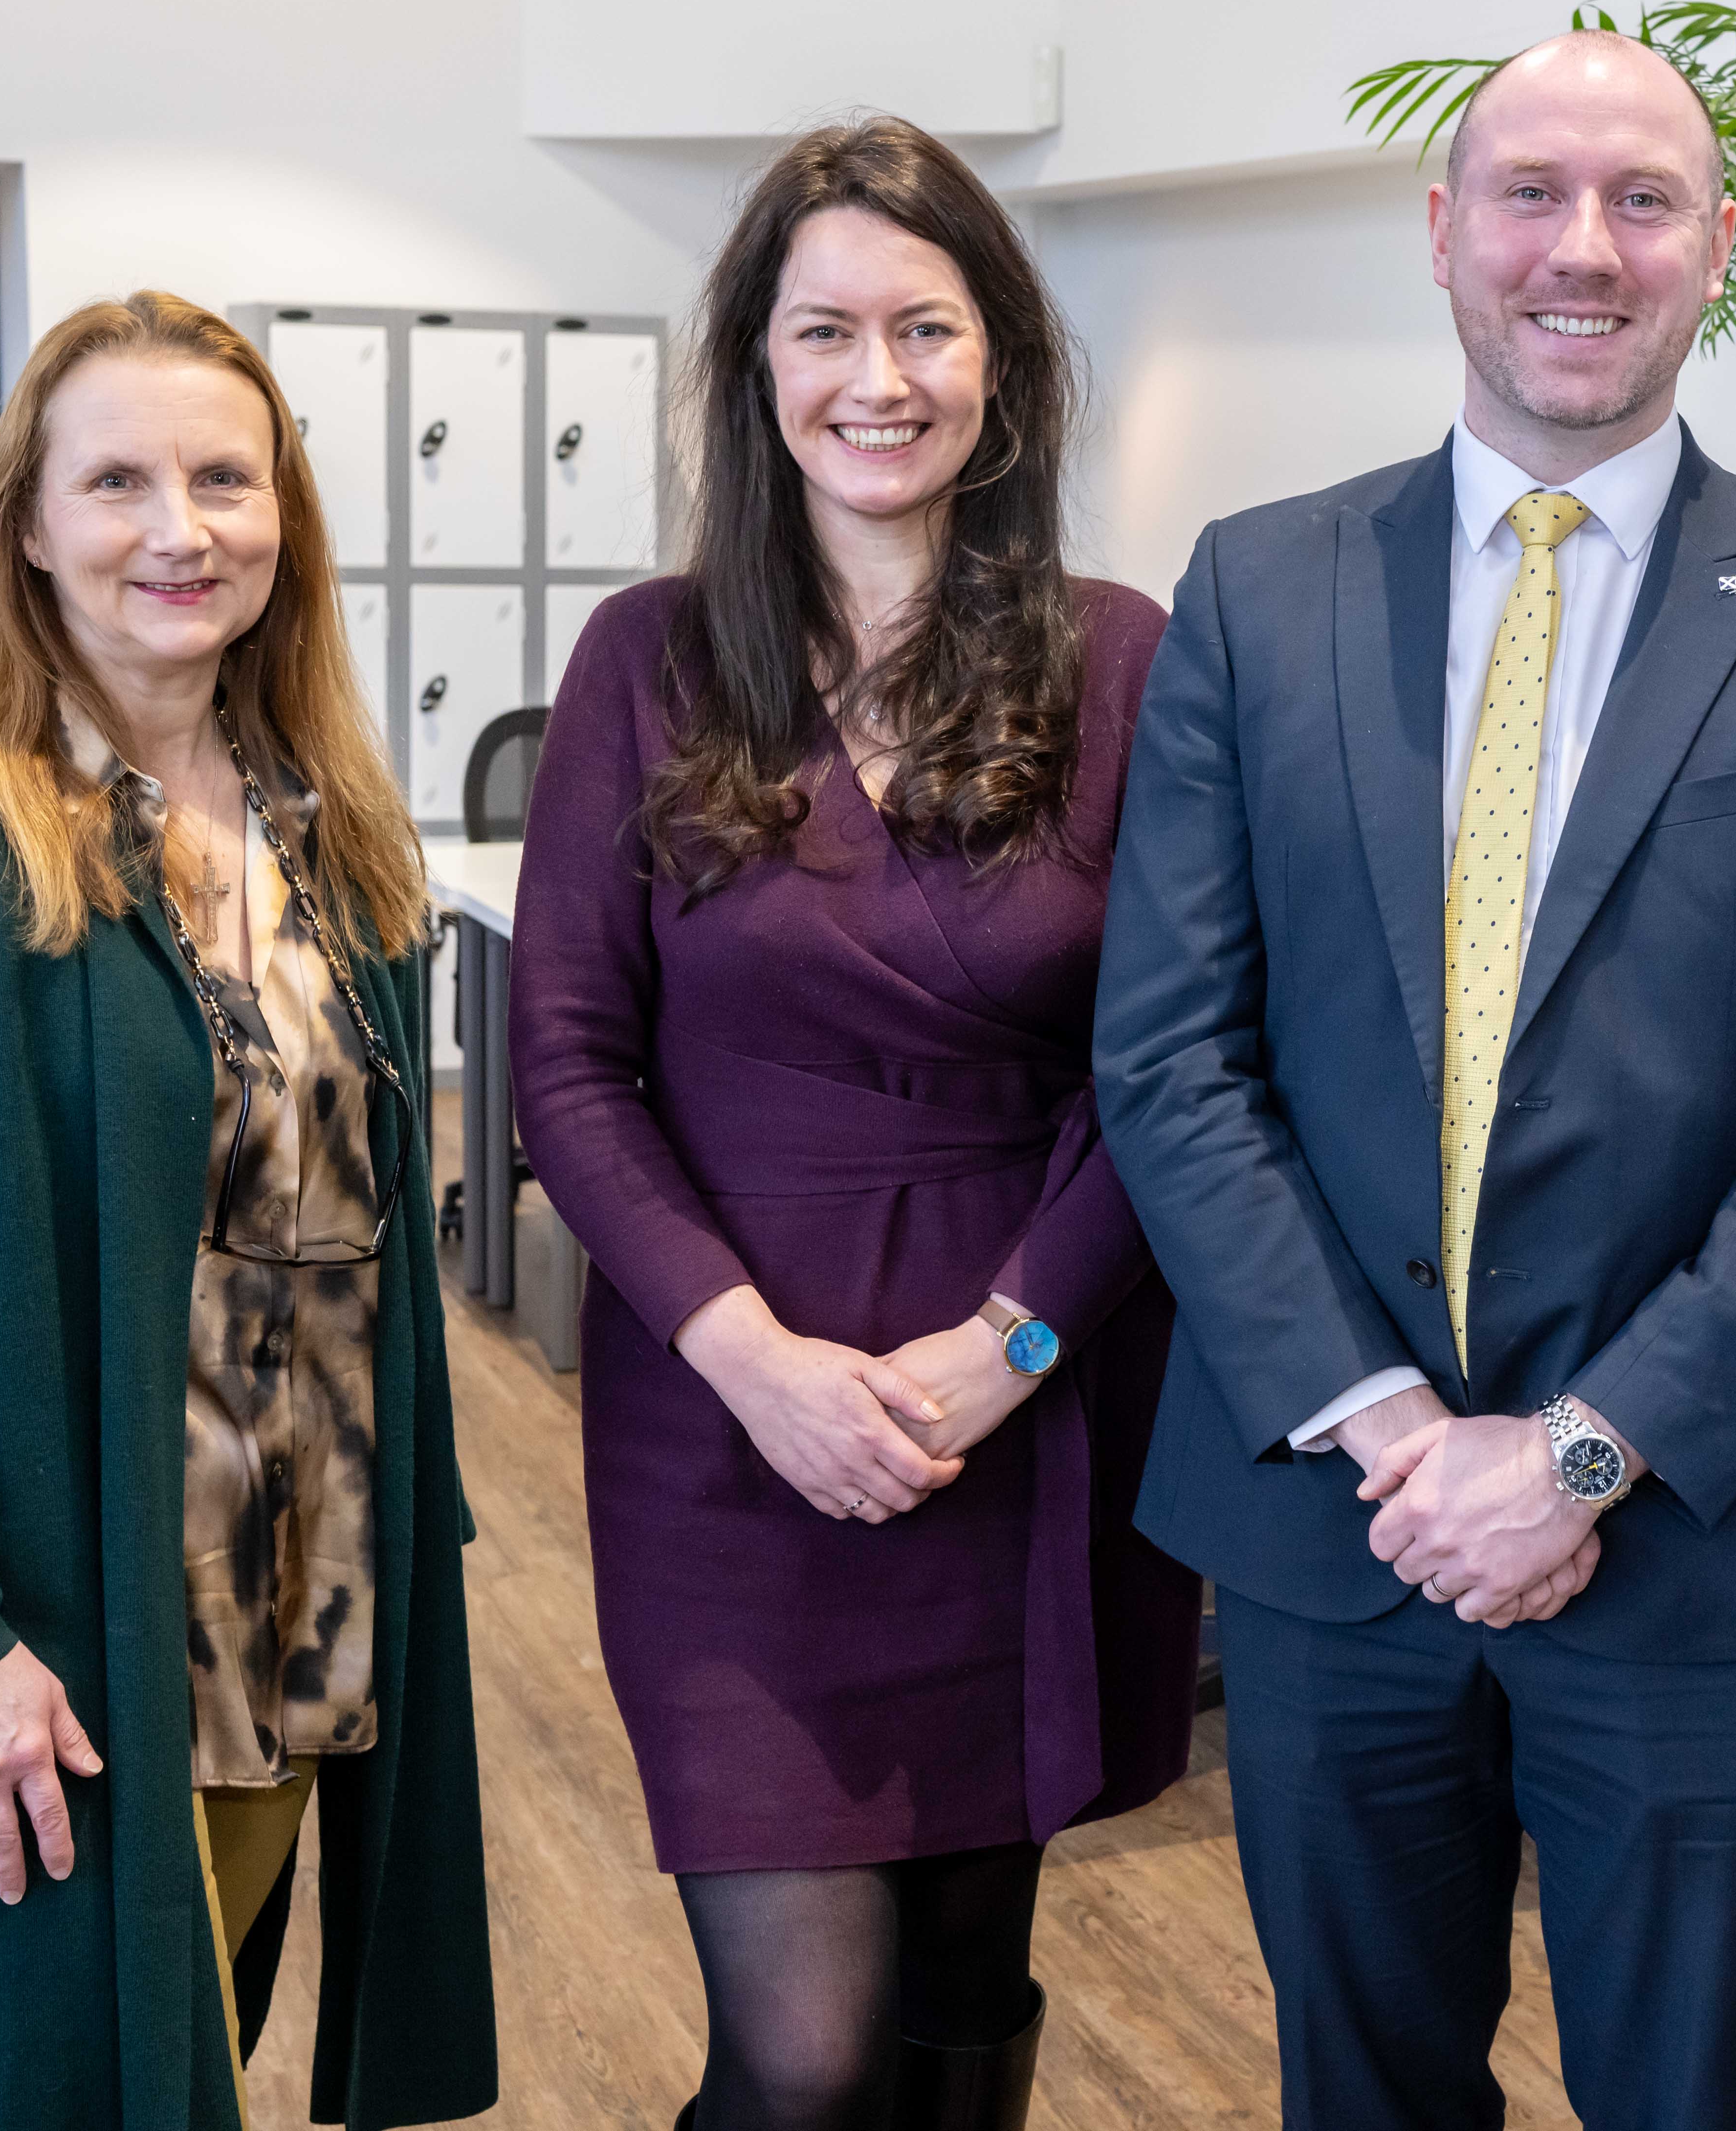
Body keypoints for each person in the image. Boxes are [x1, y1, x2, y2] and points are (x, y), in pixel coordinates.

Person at [1092, 29, 1736, 2127]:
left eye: (1643, 201)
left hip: (1687, 1546)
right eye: (1530, 195)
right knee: (1366, 2094)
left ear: (1717, 253)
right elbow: (1173, 1055)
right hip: (1339, 1533)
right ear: (1441, 233)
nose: (1582, 250)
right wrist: (1408, 1442)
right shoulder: (1259, 585)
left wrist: (1576, 1457)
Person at [0, 291, 495, 2130]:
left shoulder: (330, 826)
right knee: (19, 2081)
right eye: (120, 480)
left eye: (227, 477)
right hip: (47, 1638)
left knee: (188, 2055)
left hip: (288, 1622)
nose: (182, 529)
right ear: (29, 522)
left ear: (285, 515)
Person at [511, 117, 1192, 2131]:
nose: (873, 380)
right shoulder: (645, 659)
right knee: (798, 2058)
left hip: (1025, 1401)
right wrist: (755, 1368)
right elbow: (562, 1062)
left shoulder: (1120, 656)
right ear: (756, 367)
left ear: (1001, 364)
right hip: (726, 1431)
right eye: (824, 331)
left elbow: (1163, 1066)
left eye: (924, 326)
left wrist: (1010, 1352)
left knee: (970, 1989)